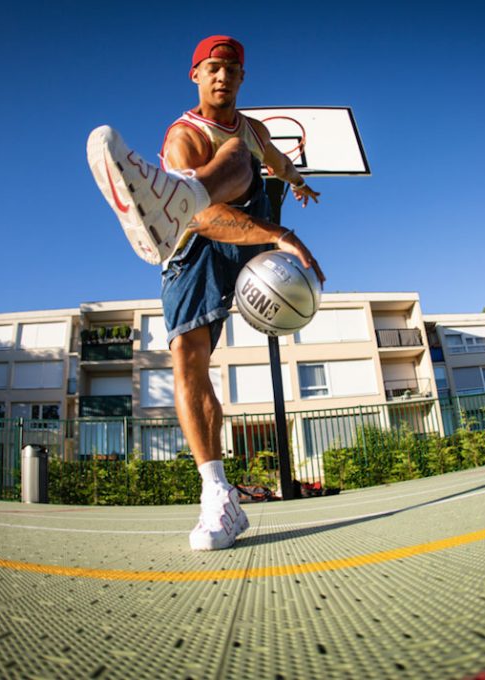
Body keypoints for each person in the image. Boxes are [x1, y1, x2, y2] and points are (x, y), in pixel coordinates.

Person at [87, 35, 324, 550]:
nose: (223, 77)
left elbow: (280, 165)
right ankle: (218, 497)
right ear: (196, 75)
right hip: (196, 241)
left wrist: (300, 184)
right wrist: (281, 233)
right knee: (187, 360)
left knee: (244, 148)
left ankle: (177, 196)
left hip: (239, 227)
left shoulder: (253, 131)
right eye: (213, 68)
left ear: (242, 79)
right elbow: (207, 221)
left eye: (232, 70)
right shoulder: (182, 137)